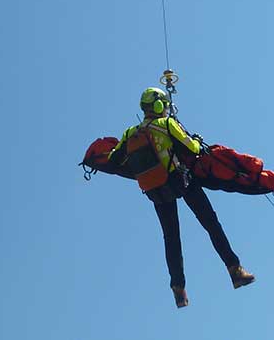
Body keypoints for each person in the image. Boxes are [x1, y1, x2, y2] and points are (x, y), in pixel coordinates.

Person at [109, 87, 255, 308]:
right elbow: (193, 148)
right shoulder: (167, 124)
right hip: (181, 182)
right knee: (211, 224)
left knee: (171, 238)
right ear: (159, 106)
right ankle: (235, 270)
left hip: (156, 189)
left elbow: (114, 159)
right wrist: (191, 140)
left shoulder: (130, 133)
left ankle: (179, 289)